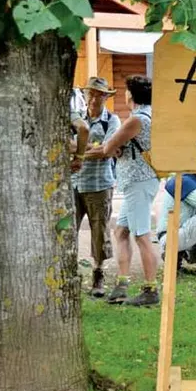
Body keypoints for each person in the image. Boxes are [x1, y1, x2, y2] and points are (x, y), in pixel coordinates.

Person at [94, 75, 160, 307]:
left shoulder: (137, 120)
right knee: (121, 231)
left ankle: (151, 289)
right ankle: (122, 284)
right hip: (142, 180)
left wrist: (113, 147)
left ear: (130, 95)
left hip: (138, 181)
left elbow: (108, 147)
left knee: (141, 235)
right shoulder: (152, 115)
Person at [74, 77, 121, 297]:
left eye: (99, 94)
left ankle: (98, 273)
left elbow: (107, 150)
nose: (93, 98)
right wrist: (91, 148)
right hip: (74, 183)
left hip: (99, 184)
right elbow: (66, 144)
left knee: (99, 232)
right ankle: (70, 274)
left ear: (106, 97)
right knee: (67, 230)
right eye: (90, 93)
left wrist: (80, 152)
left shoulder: (112, 120)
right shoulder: (76, 119)